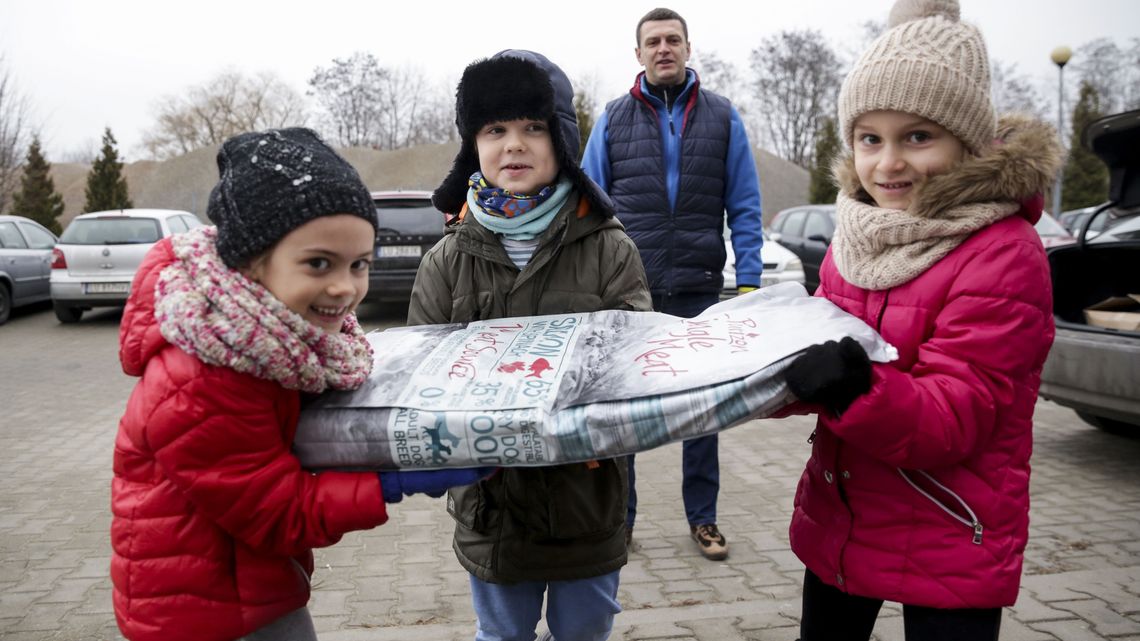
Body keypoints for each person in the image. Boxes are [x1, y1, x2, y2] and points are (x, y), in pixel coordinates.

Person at [110, 127, 489, 641]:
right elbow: (275, 512)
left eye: (359, 265)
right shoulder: (203, 376)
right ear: (250, 260)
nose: (345, 287)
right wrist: (387, 482)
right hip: (199, 611)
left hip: (247, 584)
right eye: (318, 264)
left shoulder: (273, 342)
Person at [777, 0, 1063, 638]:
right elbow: (821, 355)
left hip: (950, 524)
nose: (888, 163)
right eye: (870, 138)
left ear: (966, 141)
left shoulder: (1002, 251)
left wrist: (851, 388)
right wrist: (761, 367)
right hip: (845, 515)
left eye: (917, 137)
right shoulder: (856, 235)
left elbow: (960, 412)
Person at [409, 50, 652, 641]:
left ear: (561, 139)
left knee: (585, 630)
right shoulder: (446, 260)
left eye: (532, 127)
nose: (514, 144)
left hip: (586, 498)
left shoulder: (610, 248)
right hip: (492, 505)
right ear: (473, 144)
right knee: (501, 633)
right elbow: (419, 377)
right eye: (495, 129)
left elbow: (634, 361)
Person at [580, 6, 763, 561]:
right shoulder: (613, 119)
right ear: (638, 54)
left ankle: (703, 519)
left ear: (687, 48)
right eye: (654, 41)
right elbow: (588, 207)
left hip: (698, 287)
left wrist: (748, 287)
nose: (664, 48)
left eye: (673, 40)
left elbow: (745, 207)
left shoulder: (723, 117)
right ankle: (621, 521)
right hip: (629, 291)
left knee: (702, 412)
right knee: (626, 414)